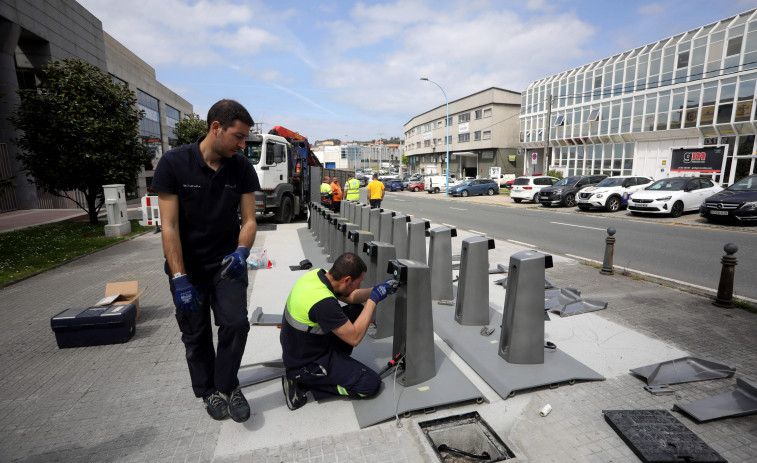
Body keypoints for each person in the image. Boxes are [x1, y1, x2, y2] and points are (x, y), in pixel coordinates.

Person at [151, 99, 259, 423]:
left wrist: (242, 251)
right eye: (239, 137)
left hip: (227, 264)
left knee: (236, 323)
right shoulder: (173, 164)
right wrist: (179, 277)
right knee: (195, 335)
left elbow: (250, 219)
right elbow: (168, 226)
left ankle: (227, 386)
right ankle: (208, 390)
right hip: (189, 269)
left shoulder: (240, 167)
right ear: (216, 128)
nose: (243, 145)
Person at [279, 253, 397, 410]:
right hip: (307, 362)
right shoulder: (323, 303)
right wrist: (373, 300)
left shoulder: (317, 275)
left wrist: (378, 290)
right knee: (370, 384)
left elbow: (351, 298)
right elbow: (354, 338)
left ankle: (335, 366)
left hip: (303, 345)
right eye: (359, 282)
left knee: (356, 310)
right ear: (347, 279)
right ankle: (302, 382)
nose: (359, 286)